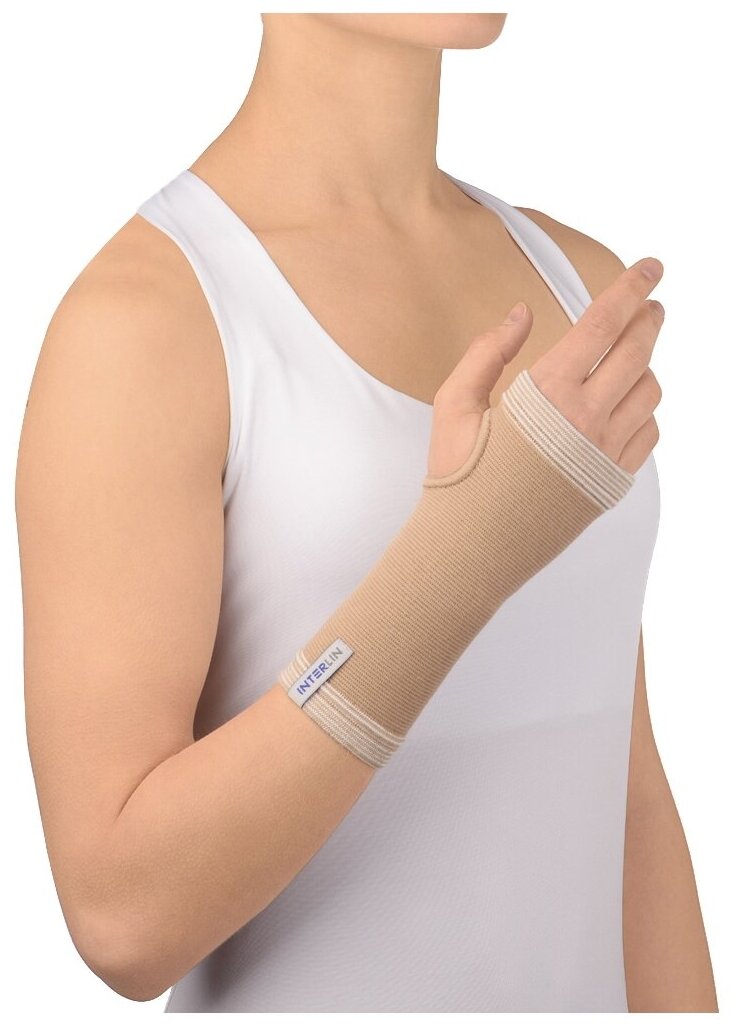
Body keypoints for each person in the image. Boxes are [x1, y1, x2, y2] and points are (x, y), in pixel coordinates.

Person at [15, 12, 717, 1013]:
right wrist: (464, 552)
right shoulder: (146, 323)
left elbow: (627, 794)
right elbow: (121, 921)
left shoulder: (576, 282)